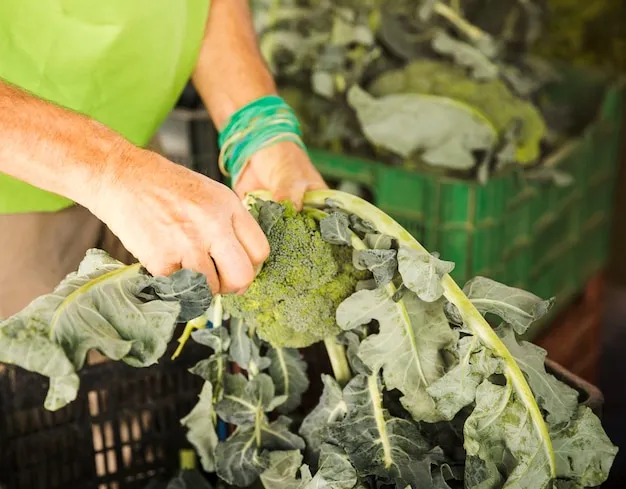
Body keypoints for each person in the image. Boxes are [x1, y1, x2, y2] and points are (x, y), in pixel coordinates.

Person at [0, 0, 327, 318]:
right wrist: (109, 171)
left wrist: (258, 126)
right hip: (17, 185)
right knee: (43, 363)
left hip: (138, 153)